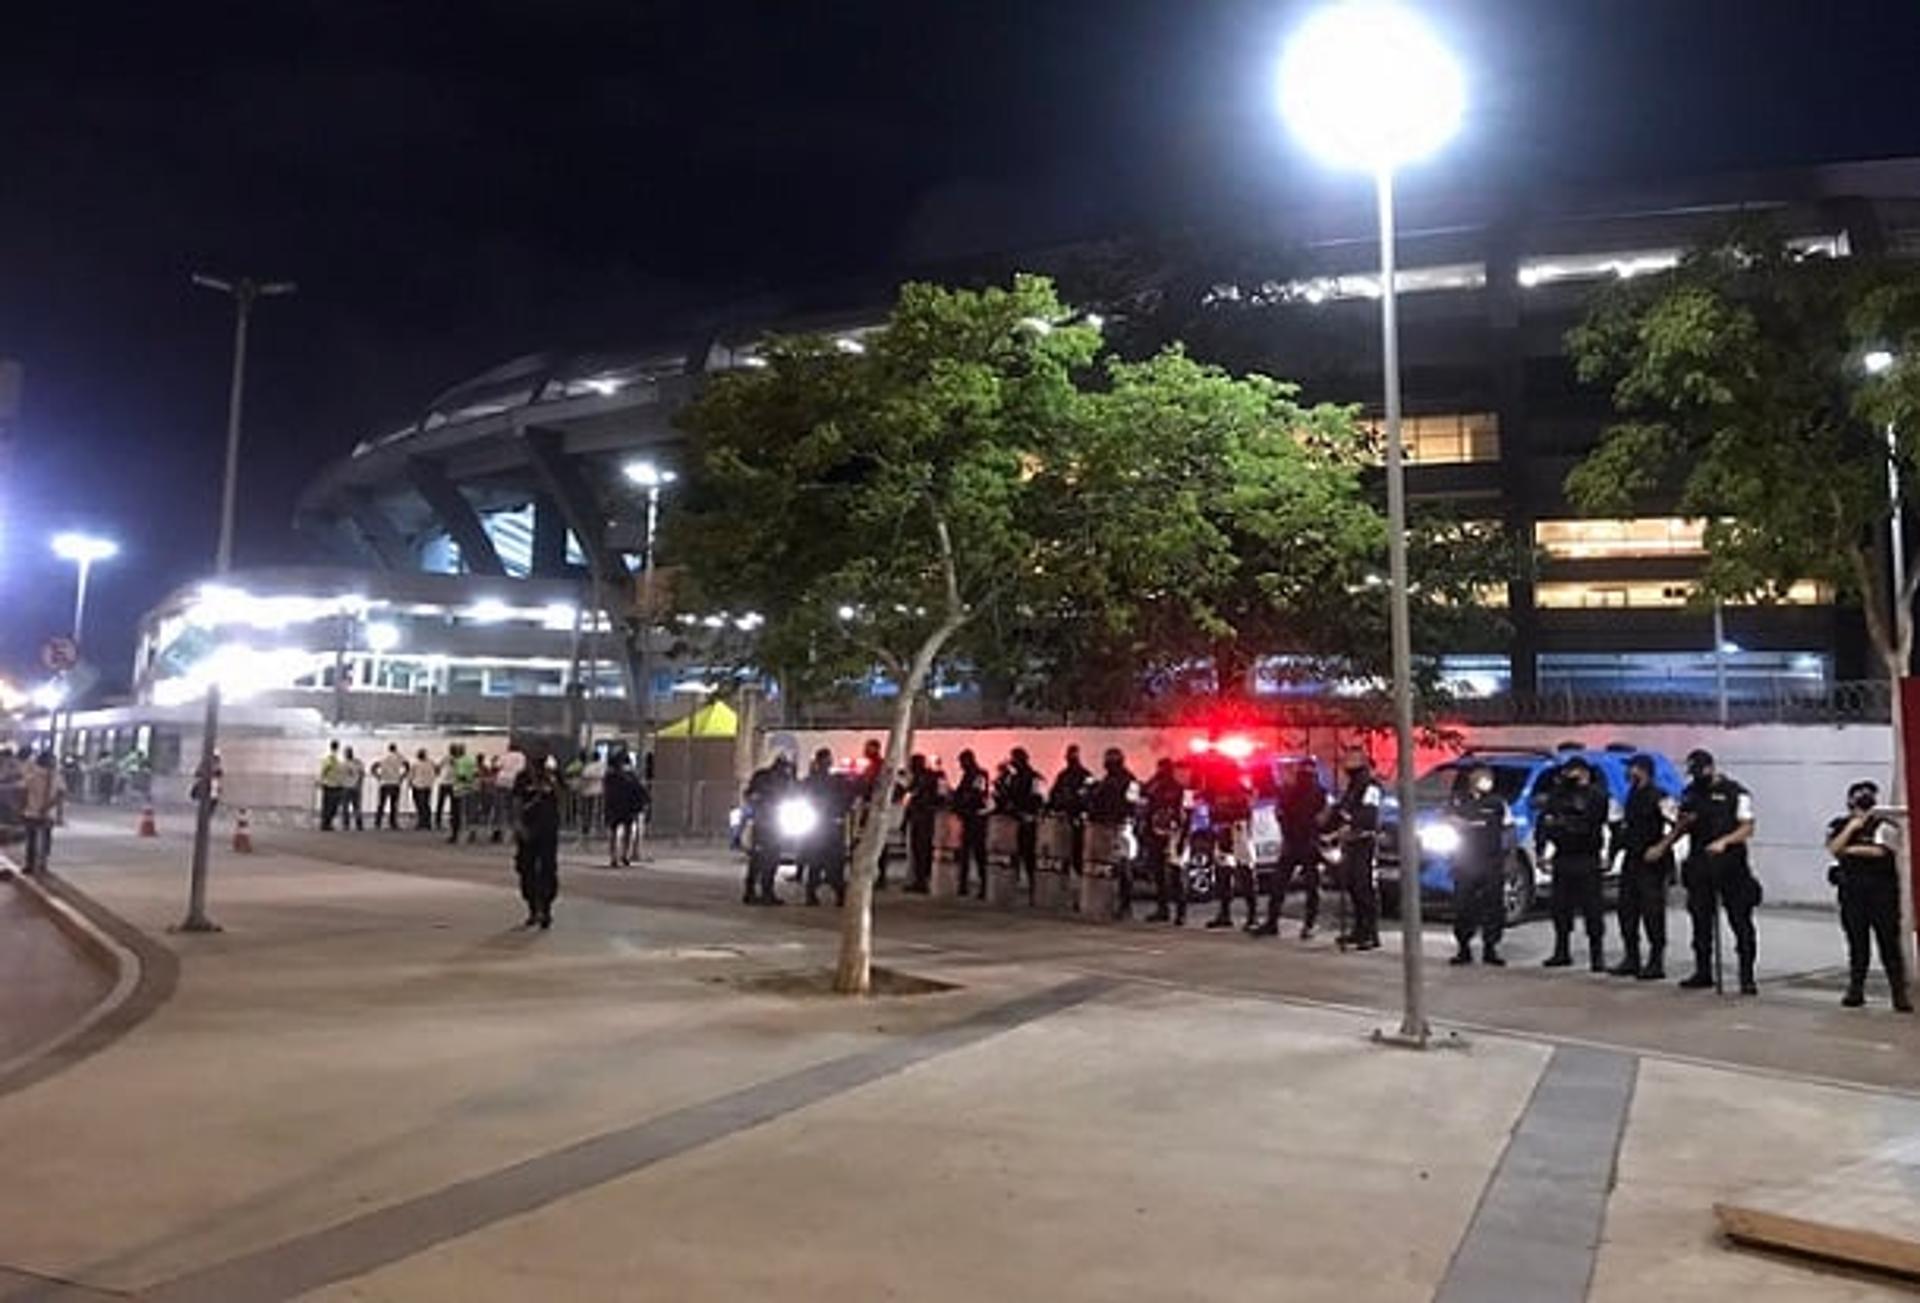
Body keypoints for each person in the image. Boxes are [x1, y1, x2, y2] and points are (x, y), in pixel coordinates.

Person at [1657, 749, 1759, 994]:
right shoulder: (1690, 793)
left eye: (1699, 771)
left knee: (1740, 920)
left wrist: (1725, 841)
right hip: (1700, 864)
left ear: (1710, 768)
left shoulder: (1736, 792)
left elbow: (1747, 827)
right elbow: (1682, 824)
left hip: (1731, 864)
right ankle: (1703, 971)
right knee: (1700, 920)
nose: (1696, 776)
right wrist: (1672, 835)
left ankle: (1747, 976)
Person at [1825, 780, 1912, 1012]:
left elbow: (1881, 851)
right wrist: (1853, 828)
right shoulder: (1839, 824)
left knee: (1888, 943)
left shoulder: (1885, 825)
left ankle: (1899, 993)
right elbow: (1834, 848)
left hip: (1881, 893)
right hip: (1852, 893)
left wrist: (1851, 849)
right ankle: (1856, 990)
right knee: (1857, 943)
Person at [1535, 756, 1612, 972]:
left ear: (1584, 772)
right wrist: (1541, 851)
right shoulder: (1559, 795)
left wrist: (1564, 823)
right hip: (1563, 856)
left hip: (1587, 857)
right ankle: (1562, 951)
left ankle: (1597, 955)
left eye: (1572, 772)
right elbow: (1545, 823)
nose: (1568, 776)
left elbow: (1589, 824)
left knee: (1592, 909)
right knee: (1560, 908)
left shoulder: (1597, 795)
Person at [1611, 755, 1676, 980]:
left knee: (1652, 912)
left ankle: (1656, 962)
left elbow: (1678, 824)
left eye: (1632, 768)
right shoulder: (1631, 795)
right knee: (1626, 911)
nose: (1628, 772)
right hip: (1632, 860)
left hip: (1653, 863)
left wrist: (1661, 847)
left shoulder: (1661, 796)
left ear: (1643, 770)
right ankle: (1632, 958)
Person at [1257, 759, 1327, 939]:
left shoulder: (1318, 793)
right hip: (1295, 842)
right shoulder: (1292, 791)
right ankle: (1274, 923)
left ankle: (1308, 924)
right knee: (1280, 884)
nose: (1305, 774)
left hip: (1308, 843)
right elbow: (1280, 813)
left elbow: (1323, 818)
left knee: (1309, 886)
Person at [1448, 765, 1510, 966]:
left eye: (1488, 777)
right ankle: (1463, 948)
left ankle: (1490, 948)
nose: (1485, 780)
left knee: (1493, 906)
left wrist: (1509, 859)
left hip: (1491, 861)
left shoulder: (1498, 803)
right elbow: (1446, 821)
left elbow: (1509, 831)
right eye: (1480, 776)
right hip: (1465, 860)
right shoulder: (1459, 801)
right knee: (1463, 906)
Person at [1327, 746, 1384, 951]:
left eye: (1352, 759)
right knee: (1351, 885)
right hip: (1350, 842)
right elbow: (1340, 809)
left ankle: (1370, 932)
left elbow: (1368, 814)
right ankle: (1359, 929)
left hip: (1364, 841)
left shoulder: (1371, 787)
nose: (1347, 764)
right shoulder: (1352, 787)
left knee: (1363, 886)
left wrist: (1349, 821)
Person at [1200, 757, 1257, 931]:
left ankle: (1252, 917)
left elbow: (1245, 811)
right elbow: (1210, 808)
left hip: (1239, 831)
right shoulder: (1216, 789)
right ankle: (1224, 914)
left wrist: (1225, 813)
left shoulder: (1240, 789)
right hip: (1223, 831)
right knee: (1223, 873)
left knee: (1245, 871)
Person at [511, 750, 563, 929]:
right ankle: (533, 908)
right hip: (528, 830)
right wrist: (518, 825)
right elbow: (517, 802)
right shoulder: (522, 778)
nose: (538, 767)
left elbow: (562, 797)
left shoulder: (553, 777)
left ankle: (546, 909)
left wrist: (551, 781)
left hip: (548, 830)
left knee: (548, 869)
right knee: (526, 869)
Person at [801, 748, 854, 907]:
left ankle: (816, 894)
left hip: (822, 826)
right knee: (830, 864)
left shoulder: (817, 781)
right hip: (828, 825)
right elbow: (848, 799)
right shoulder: (834, 781)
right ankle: (835, 894)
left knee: (818, 863)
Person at [1137, 758, 1186, 924]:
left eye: (1162, 769)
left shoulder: (1178, 789)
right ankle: (1163, 909)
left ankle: (1180, 912)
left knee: (1174, 874)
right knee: (1160, 875)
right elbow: (1144, 797)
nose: (1160, 772)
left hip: (1172, 835)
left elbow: (1184, 814)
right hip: (1156, 834)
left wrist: (1181, 839)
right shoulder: (1155, 787)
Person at [742, 755, 796, 905]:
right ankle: (759, 892)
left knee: (763, 859)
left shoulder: (767, 776)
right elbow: (750, 795)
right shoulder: (771, 778)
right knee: (766, 858)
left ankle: (758, 891)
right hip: (768, 823)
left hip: (768, 822)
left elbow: (749, 795)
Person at [994, 748, 1046, 903]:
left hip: (1028, 821)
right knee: (1012, 858)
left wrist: (1025, 810)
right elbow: (1005, 796)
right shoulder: (1012, 778)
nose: (1013, 762)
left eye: (1015, 759)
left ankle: (1034, 891)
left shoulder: (1035, 777)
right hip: (1013, 822)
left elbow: (1039, 799)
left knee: (1029, 858)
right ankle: (1011, 889)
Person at [950, 750, 992, 899]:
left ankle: (984, 886)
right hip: (968, 818)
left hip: (977, 818)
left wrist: (961, 804)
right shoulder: (968, 776)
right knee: (965, 854)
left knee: (979, 854)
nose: (961, 765)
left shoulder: (979, 774)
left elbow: (976, 795)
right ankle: (963, 885)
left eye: (962, 762)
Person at [900, 754, 943, 894]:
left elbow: (917, 797)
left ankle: (922, 881)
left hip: (924, 818)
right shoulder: (920, 778)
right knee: (917, 851)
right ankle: (919, 880)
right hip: (918, 817)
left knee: (922, 851)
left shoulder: (927, 778)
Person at [1049, 745, 1093, 880]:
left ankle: (1080, 882)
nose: (1070, 759)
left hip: (1078, 820)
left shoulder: (1086, 775)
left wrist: (1081, 808)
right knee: (1063, 854)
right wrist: (1053, 807)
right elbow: (1054, 794)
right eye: (1069, 756)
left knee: (1078, 853)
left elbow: (1091, 796)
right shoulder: (1063, 775)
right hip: (1064, 819)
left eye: (1073, 756)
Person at [20, 750, 66, 877]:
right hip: (46, 814)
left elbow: (23, 793)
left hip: (31, 812)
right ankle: (42, 863)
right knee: (45, 838)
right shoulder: (57, 777)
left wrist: (22, 809)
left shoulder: (31, 776)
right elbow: (60, 796)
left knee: (32, 839)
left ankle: (30, 864)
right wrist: (58, 814)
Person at [604, 749, 647, 867]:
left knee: (613, 831)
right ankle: (624, 855)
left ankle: (614, 856)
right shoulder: (630, 775)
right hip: (627, 806)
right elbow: (639, 789)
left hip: (613, 806)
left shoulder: (609, 776)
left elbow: (608, 792)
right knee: (627, 830)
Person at [446, 743, 479, 844]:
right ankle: (472, 833)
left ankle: (457, 835)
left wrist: (461, 778)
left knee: (458, 813)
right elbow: (476, 773)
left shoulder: (459, 762)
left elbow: (461, 776)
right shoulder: (471, 760)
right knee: (471, 812)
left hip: (460, 790)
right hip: (473, 789)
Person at [372, 744, 410, 830]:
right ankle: (393, 823)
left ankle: (377, 822)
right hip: (395, 783)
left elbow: (374, 767)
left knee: (381, 804)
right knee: (394, 804)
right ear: (395, 749)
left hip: (384, 783)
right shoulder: (399, 756)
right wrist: (402, 776)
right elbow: (407, 765)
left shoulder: (383, 756)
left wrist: (378, 776)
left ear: (388, 749)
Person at [318, 740, 347, 831]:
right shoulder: (333, 758)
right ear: (337, 747)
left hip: (329, 784)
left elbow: (324, 770)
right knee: (332, 805)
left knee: (327, 805)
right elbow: (326, 769)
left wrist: (321, 779)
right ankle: (326, 823)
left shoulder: (329, 758)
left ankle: (326, 823)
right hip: (333, 785)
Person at [409, 748, 437, 831]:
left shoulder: (415, 763)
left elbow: (411, 774)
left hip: (418, 785)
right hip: (427, 785)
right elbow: (437, 770)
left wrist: (410, 782)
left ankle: (422, 822)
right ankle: (427, 823)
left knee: (420, 805)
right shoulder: (431, 762)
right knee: (425, 804)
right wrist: (433, 779)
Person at [340, 746, 367, 831]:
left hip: (346, 787)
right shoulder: (358, 763)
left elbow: (340, 776)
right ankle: (359, 824)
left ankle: (346, 824)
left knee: (345, 807)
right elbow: (362, 774)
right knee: (357, 806)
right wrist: (359, 784)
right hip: (355, 787)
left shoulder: (343, 764)